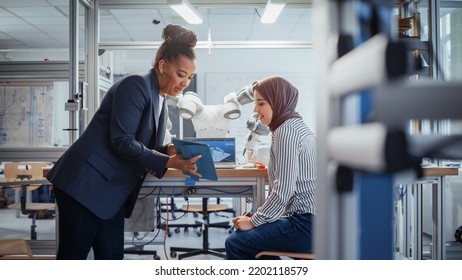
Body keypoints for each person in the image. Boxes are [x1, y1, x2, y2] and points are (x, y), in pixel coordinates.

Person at [46, 24, 202, 260]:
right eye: (181, 74)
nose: (185, 82)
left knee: (111, 259)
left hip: (110, 192)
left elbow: (142, 142)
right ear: (162, 65)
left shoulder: (159, 98)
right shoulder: (136, 85)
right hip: (85, 185)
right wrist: (169, 162)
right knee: (72, 258)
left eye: (190, 77)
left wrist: (168, 149)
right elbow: (122, 141)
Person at [225, 76, 316, 259]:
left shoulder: (286, 132)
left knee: (235, 242)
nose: (255, 110)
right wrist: (257, 219)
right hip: (312, 222)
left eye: (261, 103)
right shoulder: (292, 126)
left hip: (307, 225)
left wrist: (254, 221)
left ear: (277, 101)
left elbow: (283, 190)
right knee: (254, 241)